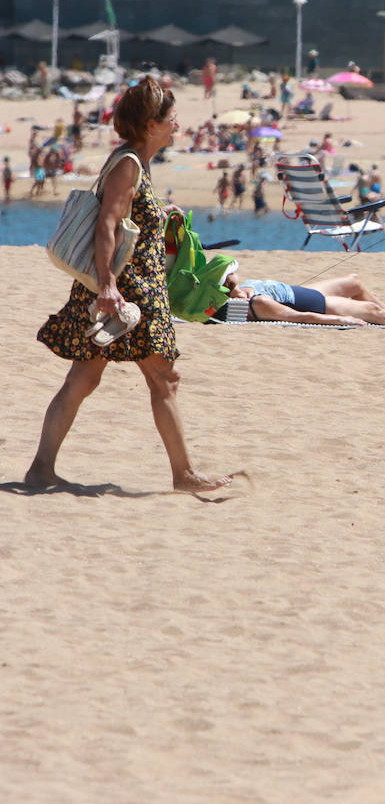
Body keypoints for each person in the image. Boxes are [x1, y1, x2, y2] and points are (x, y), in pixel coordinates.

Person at [27, 77, 232, 494]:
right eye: (171, 117)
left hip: (127, 287)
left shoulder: (135, 160)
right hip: (125, 291)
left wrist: (161, 212)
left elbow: (128, 217)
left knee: (84, 377)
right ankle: (184, 475)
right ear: (150, 123)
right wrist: (107, 286)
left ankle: (41, 470)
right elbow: (106, 225)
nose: (177, 124)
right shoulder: (128, 164)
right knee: (163, 378)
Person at [218, 271, 385, 326]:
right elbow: (299, 316)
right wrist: (340, 321)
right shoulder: (256, 303)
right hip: (320, 305)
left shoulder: (246, 287)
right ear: (227, 283)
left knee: (354, 281)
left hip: (306, 291)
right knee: (370, 310)